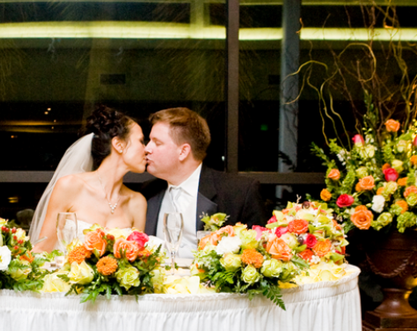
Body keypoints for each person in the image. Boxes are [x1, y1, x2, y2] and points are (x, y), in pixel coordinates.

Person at [142, 107, 267, 259]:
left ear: (183, 151)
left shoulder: (238, 193)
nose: (147, 149)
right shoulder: (147, 192)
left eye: (157, 143)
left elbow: (258, 257)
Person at [30, 105, 148, 252]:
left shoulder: (137, 203)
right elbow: (42, 250)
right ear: (118, 145)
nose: (147, 149)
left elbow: (137, 262)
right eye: (141, 141)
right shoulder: (70, 186)